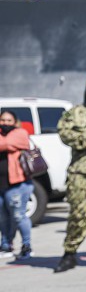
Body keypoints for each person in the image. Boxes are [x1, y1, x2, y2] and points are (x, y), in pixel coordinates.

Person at [54, 73, 86, 273]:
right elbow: (64, 133)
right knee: (78, 214)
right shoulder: (75, 112)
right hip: (80, 171)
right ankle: (70, 253)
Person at [0, 110, 35, 260]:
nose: (6, 123)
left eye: (9, 120)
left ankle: (27, 247)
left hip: (18, 184)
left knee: (18, 216)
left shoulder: (20, 132)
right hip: (1, 185)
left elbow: (7, 143)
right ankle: (6, 245)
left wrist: (6, 144)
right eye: (3, 120)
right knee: (3, 218)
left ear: (14, 121)